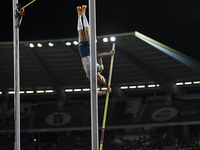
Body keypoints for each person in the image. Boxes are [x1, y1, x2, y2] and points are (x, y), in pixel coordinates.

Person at [77, 5, 115, 95]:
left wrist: (106, 92)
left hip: (83, 53)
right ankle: (83, 13)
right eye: (102, 79)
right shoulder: (100, 68)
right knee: (87, 31)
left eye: (99, 81)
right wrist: (109, 54)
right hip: (90, 51)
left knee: (81, 33)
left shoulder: (91, 77)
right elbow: (98, 56)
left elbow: (96, 92)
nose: (100, 79)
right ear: (104, 78)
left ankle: (79, 15)